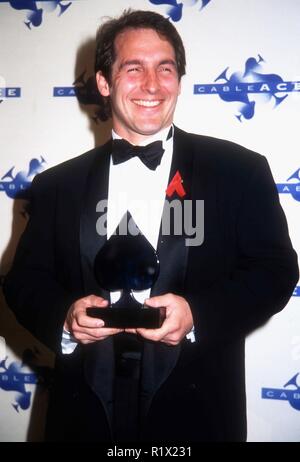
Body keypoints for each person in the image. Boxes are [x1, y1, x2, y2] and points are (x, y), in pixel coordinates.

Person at [3, 9, 299, 442]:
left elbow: (275, 271)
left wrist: (198, 313)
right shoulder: (56, 186)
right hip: (82, 412)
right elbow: (24, 281)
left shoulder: (239, 170)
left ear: (179, 79)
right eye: (133, 68)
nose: (152, 85)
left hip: (196, 409)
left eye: (166, 68)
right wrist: (64, 317)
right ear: (104, 82)